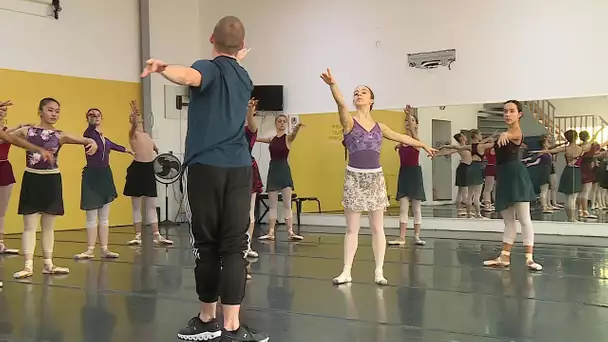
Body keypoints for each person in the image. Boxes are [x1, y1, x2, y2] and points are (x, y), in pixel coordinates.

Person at [139, 16, 269, 342]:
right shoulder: (244, 76)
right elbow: (227, 64)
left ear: (210, 38)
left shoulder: (208, 68)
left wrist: (163, 67)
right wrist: (236, 56)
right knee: (235, 247)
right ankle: (233, 326)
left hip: (206, 168)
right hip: (239, 168)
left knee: (207, 245)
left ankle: (208, 318)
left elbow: (191, 75)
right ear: (241, 47)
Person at [320, 68, 436, 286]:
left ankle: (379, 271)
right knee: (352, 228)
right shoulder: (349, 123)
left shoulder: (379, 127)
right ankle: (346, 271)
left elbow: (402, 136)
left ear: (371, 100)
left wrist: (423, 145)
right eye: (356, 92)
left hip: (375, 178)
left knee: (377, 227)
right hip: (354, 177)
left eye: (363, 92)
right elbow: (341, 105)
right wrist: (333, 85)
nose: (358, 94)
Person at [11, 98, 99, 279]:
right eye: (50, 110)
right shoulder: (28, 131)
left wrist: (93, 142)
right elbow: (6, 135)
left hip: (51, 181)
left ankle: (48, 263)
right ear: (40, 111)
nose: (54, 114)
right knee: (29, 226)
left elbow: (85, 139)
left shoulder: (60, 135)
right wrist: (18, 124)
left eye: (57, 111)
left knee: (49, 226)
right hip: (32, 179)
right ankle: (28, 265)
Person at [483, 100, 542, 271]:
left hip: (516, 176)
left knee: (524, 219)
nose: (508, 114)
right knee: (509, 221)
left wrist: (505, 135)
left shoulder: (516, 132)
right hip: (504, 177)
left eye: (512, 111)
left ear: (519, 114)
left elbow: (515, 135)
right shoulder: (505, 133)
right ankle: (504, 256)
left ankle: (529, 259)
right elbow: (485, 145)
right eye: (505, 111)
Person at [75, 108, 133, 260]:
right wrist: (92, 129)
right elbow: (91, 139)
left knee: (105, 217)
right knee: (91, 216)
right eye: (91, 115)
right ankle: (90, 249)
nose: (95, 117)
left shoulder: (102, 137)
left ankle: (105, 249)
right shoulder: (88, 134)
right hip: (92, 176)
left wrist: (127, 149)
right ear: (87, 119)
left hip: (105, 175)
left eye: (98, 115)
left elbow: (111, 145)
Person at [124, 101, 173, 247]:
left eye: (139, 118)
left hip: (148, 169)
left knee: (151, 204)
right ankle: (137, 235)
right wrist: (134, 116)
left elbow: (152, 147)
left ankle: (157, 235)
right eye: (135, 119)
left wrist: (156, 149)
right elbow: (133, 127)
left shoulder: (146, 135)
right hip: (137, 170)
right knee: (136, 205)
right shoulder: (133, 134)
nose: (138, 120)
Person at [256, 114, 304, 241]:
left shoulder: (287, 138)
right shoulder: (272, 138)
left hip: (284, 171)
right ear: (276, 124)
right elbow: (258, 139)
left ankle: (290, 232)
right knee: (272, 205)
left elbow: (293, 135)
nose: (282, 123)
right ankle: (271, 232)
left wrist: (297, 127)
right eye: (279, 121)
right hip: (273, 171)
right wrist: (249, 137)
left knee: (287, 204)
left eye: (284, 121)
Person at [0, 100, 37, 256]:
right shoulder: (8, 133)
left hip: (4, 169)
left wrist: (22, 127)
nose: (2, 111)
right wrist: (20, 128)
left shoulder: (7, 130)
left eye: (4, 110)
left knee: (1, 210)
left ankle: (0, 243)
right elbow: (4, 139)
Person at [388, 105, 427, 246]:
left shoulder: (417, 140)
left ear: (416, 124)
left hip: (414, 173)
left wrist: (410, 115)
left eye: (411, 121)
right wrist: (398, 146)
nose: (407, 123)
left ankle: (417, 236)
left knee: (416, 208)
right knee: (403, 208)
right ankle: (402, 237)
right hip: (404, 173)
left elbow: (413, 136)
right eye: (406, 121)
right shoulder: (402, 141)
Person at [440, 130, 495, 218]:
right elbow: (494, 144)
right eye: (480, 134)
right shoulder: (482, 146)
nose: (481, 136)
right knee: (476, 194)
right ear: (476, 136)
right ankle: (478, 213)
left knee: (469, 194)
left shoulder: (469, 146)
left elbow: (455, 147)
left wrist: (444, 146)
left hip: (470, 167)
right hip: (477, 167)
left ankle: (469, 213)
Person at [532, 130, 583, 221]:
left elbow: (551, 150)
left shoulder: (566, 148)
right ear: (576, 138)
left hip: (567, 171)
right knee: (573, 197)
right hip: (575, 171)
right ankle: (572, 218)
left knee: (568, 197)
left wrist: (539, 151)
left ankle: (569, 218)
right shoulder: (581, 149)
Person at [244, 98, 262, 260]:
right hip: (230, 170)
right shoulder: (229, 130)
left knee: (249, 210)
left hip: (248, 170)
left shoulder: (251, 128)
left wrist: (250, 109)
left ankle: (247, 245)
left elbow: (250, 122)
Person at [437, 133, 471, 217]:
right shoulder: (460, 147)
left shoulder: (465, 147)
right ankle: (467, 211)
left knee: (460, 191)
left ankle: (460, 210)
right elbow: (450, 151)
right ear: (461, 138)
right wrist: (437, 154)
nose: (466, 136)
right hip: (464, 168)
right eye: (464, 135)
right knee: (463, 191)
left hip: (466, 168)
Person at [522, 136, 553, 213]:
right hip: (544, 172)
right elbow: (536, 158)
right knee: (544, 190)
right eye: (547, 142)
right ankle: (544, 206)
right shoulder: (542, 152)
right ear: (544, 144)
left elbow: (537, 161)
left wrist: (531, 163)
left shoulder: (546, 151)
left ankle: (545, 205)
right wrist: (529, 161)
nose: (549, 143)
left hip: (546, 171)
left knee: (546, 189)